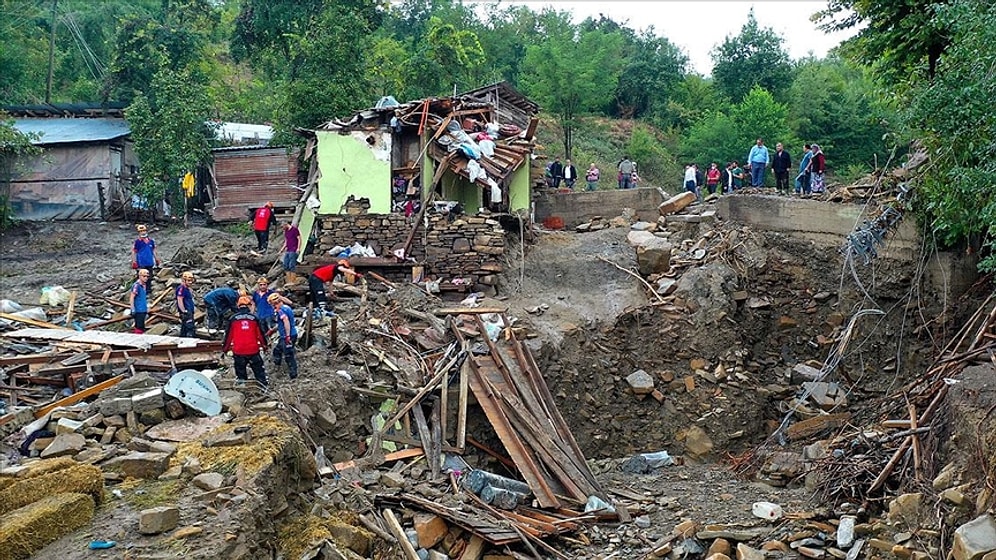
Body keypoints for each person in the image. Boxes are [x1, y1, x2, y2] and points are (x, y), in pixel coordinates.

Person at [222, 295, 268, 389]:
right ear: (248, 306)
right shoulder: (254, 318)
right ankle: (263, 387)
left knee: (241, 372)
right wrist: (264, 346)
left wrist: (225, 349)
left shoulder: (233, 319)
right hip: (253, 350)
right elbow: (260, 335)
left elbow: (228, 336)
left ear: (238, 306)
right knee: (259, 371)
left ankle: (243, 388)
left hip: (239, 351)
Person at [269, 293, 298, 380]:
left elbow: (286, 322)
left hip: (288, 335)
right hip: (287, 335)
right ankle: (277, 366)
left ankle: (293, 375)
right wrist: (273, 330)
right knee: (277, 350)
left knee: (289, 355)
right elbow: (281, 323)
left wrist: (287, 336)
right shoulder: (286, 307)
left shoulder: (281, 310)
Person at [175, 271, 196, 338]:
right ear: (184, 280)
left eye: (191, 281)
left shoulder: (187, 288)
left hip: (189, 310)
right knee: (190, 328)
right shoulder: (181, 288)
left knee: (184, 328)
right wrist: (183, 311)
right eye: (189, 281)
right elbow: (180, 299)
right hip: (186, 311)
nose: (190, 282)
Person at [130, 269, 150, 334]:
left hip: (143, 309)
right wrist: (133, 309)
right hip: (138, 310)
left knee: (142, 326)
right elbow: (132, 297)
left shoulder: (144, 285)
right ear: (140, 276)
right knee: (139, 326)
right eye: (144, 276)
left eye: (147, 276)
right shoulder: (137, 285)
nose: (146, 278)